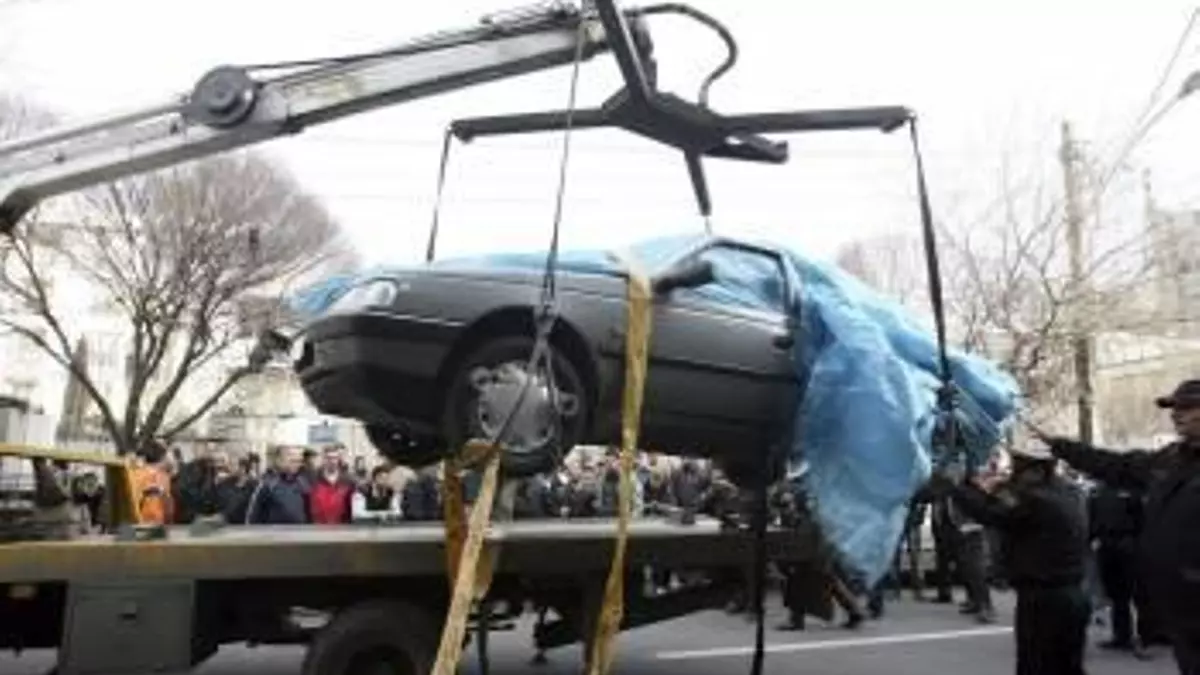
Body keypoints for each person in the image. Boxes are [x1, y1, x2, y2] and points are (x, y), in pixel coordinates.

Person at [1034, 378, 1200, 674]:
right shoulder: (1171, 458)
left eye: (1187, 407)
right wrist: (1060, 446)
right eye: (1174, 408)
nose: (1176, 414)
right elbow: (1115, 465)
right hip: (1180, 604)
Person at [938, 444, 1090, 675]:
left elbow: (990, 513)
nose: (1014, 475)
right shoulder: (1070, 492)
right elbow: (997, 504)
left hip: (1043, 598)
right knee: (1068, 666)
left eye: (1020, 468)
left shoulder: (1034, 500)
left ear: (1037, 471)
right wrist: (971, 487)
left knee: (1034, 665)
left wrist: (954, 488)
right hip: (1073, 594)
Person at [1089, 480, 1151, 657]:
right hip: (1107, 544)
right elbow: (1092, 518)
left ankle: (1144, 636)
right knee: (1117, 594)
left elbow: (1142, 520)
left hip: (1128, 543)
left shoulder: (1132, 491)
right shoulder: (1098, 491)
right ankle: (1122, 635)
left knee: (1135, 592)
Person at [245, 446, 310, 525]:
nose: (297, 465)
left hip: (299, 530)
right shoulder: (268, 484)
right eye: (292, 461)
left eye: (299, 461)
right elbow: (253, 514)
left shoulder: (303, 483)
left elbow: (309, 512)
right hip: (274, 531)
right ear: (281, 461)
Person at [129, 440, 175, 526]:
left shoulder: (133, 474)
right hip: (157, 522)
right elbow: (168, 509)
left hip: (135, 523)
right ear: (162, 458)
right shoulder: (163, 476)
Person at [308, 445, 356, 525]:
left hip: (341, 527)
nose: (332, 461)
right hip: (318, 527)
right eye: (328, 458)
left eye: (335, 458)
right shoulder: (313, 479)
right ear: (323, 459)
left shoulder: (347, 480)